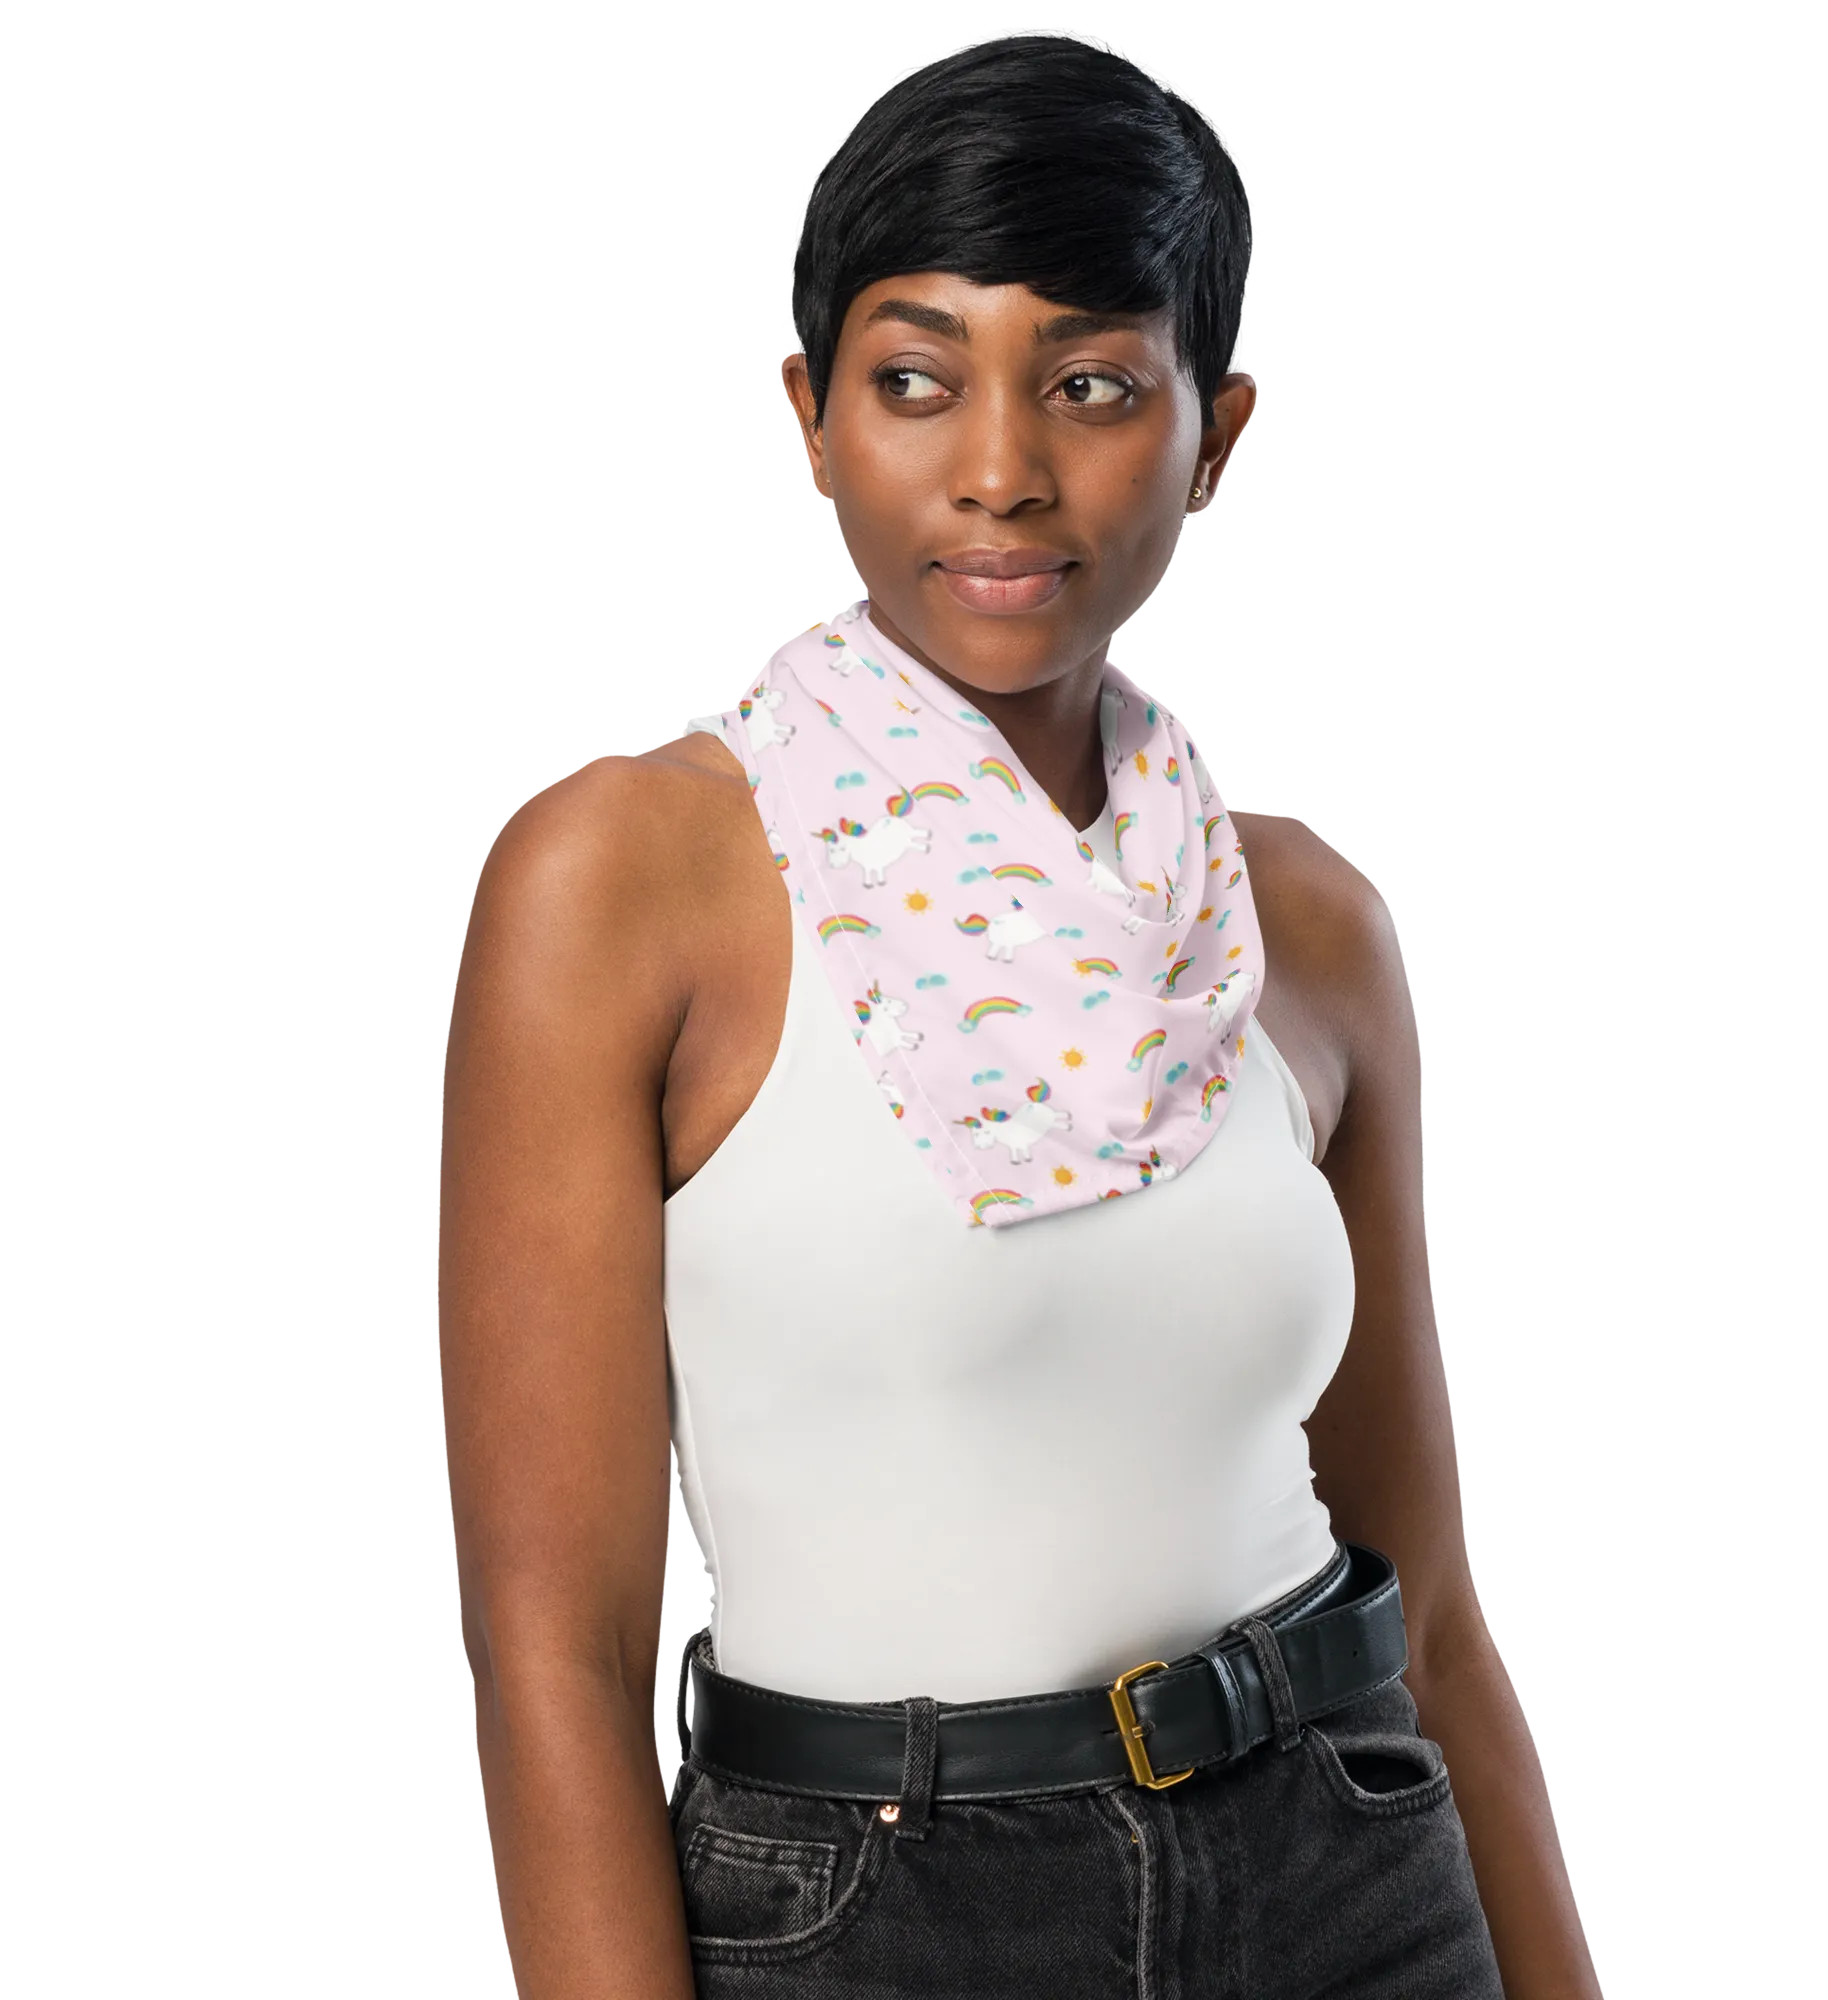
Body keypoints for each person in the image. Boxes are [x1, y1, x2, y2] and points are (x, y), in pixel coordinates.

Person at [441, 26, 1528, 1997]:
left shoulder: (1299, 924)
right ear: (808, 410)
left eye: (1093, 384)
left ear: (1217, 434)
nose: (1004, 470)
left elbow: (1434, 1602)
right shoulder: (620, 884)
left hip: (1350, 1871)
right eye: (918, 379)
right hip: (876, 1913)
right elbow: (557, 1650)